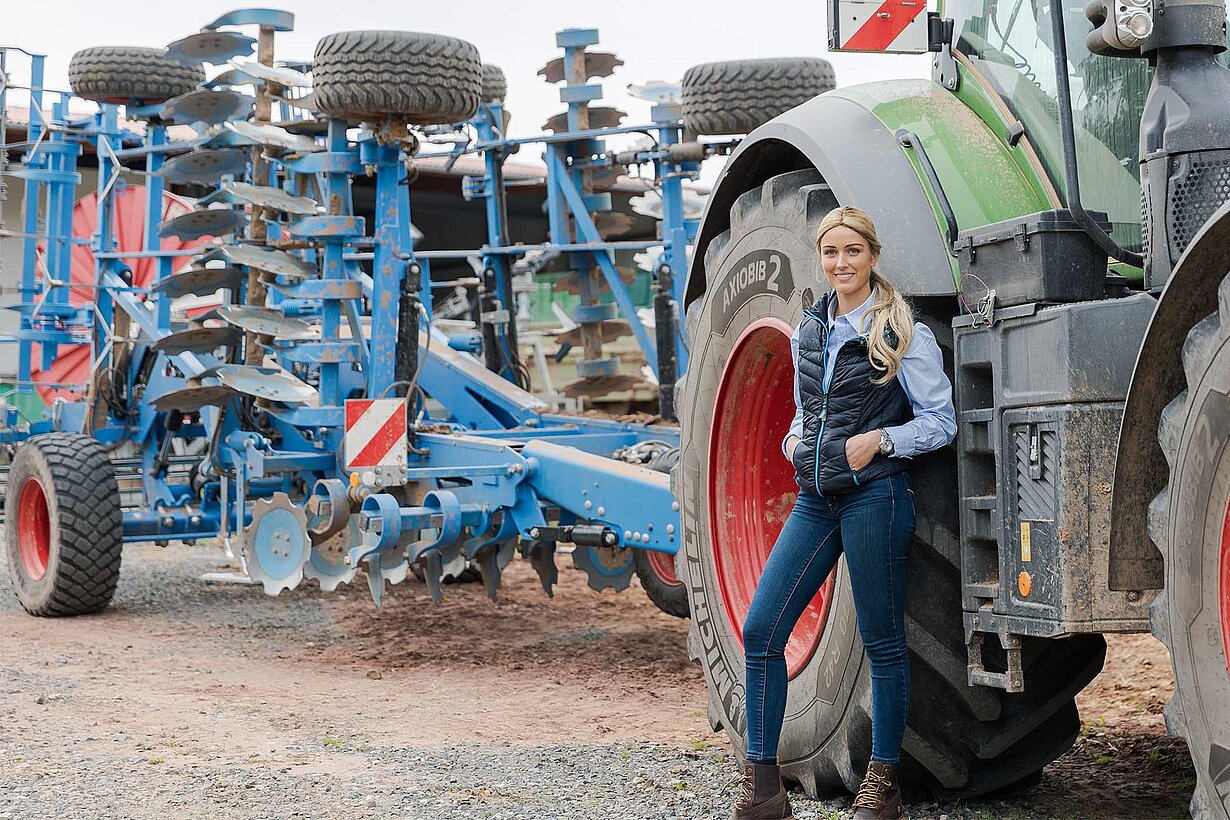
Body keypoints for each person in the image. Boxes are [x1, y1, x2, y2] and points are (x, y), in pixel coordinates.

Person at [731, 206, 957, 820]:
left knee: (883, 642)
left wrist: (883, 441)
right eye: (831, 253)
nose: (841, 264)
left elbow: (941, 422)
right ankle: (764, 787)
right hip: (816, 499)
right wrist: (792, 444)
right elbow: (808, 413)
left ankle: (883, 789)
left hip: (875, 497)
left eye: (852, 252)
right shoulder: (811, 328)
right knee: (762, 630)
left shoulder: (899, 331)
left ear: (871, 257)